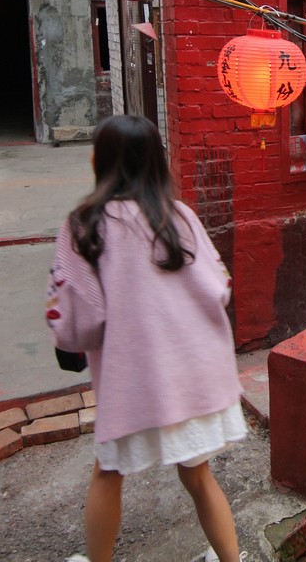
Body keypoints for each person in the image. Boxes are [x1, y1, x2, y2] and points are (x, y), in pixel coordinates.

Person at [46, 116, 247, 562]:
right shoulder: (181, 216)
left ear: (100, 160)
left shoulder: (85, 224)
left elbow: (80, 316)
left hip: (133, 381)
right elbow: (220, 288)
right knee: (198, 475)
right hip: (192, 375)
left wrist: (67, 336)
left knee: (108, 473)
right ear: (158, 161)